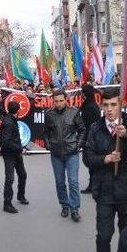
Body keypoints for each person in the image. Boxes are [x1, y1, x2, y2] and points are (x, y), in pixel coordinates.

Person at [85, 89, 127, 252]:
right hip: (105, 191)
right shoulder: (95, 128)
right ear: (101, 106)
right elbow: (88, 157)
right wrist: (105, 159)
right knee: (103, 237)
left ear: (120, 104)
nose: (109, 110)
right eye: (106, 105)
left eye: (113, 105)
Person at [44, 89, 86, 222]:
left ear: (66, 100)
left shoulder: (74, 112)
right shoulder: (49, 114)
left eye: (61, 100)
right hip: (56, 154)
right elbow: (45, 132)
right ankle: (64, 205)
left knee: (73, 182)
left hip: (72, 153)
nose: (58, 103)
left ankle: (74, 209)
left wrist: (78, 145)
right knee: (60, 182)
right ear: (53, 101)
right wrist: (48, 144)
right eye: (56, 101)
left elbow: (82, 130)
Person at [0, 101, 28, 213]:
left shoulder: (10, 119)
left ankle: (20, 196)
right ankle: (7, 204)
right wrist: (20, 148)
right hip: (10, 155)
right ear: (17, 111)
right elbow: (6, 141)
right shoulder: (9, 123)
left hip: (15, 153)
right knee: (10, 178)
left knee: (22, 175)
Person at [80, 84, 101, 193]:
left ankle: (94, 185)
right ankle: (93, 184)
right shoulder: (91, 105)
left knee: (91, 162)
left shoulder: (89, 107)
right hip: (91, 138)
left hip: (90, 139)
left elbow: (89, 125)